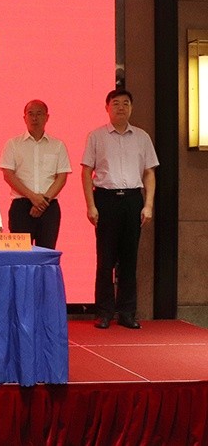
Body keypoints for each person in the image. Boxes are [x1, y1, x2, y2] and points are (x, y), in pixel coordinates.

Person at [82, 88, 158, 330]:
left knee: (129, 259)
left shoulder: (142, 137)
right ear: (107, 108)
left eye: (126, 103)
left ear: (131, 108)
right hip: (106, 199)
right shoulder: (96, 136)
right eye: (116, 103)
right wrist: (91, 205)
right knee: (105, 260)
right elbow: (86, 172)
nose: (121, 107)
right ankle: (104, 312)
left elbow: (149, 172)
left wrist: (148, 204)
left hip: (133, 200)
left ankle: (127, 313)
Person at [0, 100, 71, 249]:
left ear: (47, 117)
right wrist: (32, 197)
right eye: (30, 114)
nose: (34, 118)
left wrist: (43, 202)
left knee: (47, 253)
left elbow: (61, 178)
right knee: (20, 254)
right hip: (21, 206)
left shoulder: (58, 145)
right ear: (24, 117)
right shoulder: (13, 144)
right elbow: (8, 175)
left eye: (39, 114)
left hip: (49, 206)